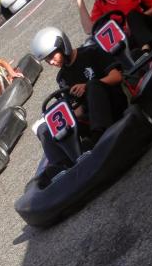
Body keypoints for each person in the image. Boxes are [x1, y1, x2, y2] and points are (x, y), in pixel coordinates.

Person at [30, 26, 127, 181]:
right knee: (45, 128)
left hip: (113, 104)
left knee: (93, 85)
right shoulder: (62, 77)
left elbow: (117, 76)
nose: (51, 62)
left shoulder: (91, 53)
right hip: (90, 117)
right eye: (47, 60)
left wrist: (87, 86)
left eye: (52, 56)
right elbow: (78, 109)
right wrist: (58, 123)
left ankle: (99, 139)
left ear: (63, 46)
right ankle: (62, 166)